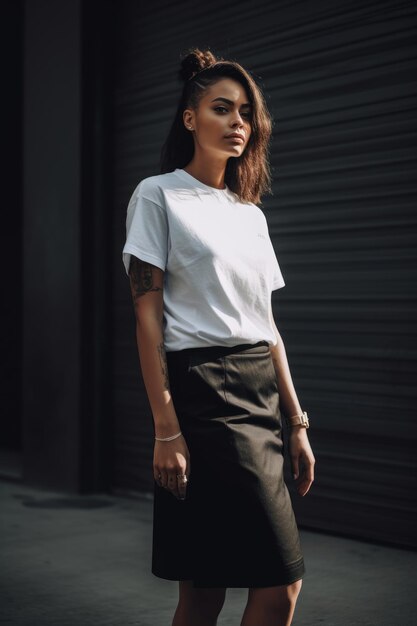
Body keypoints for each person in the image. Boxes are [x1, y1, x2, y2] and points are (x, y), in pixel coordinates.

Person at [122, 47, 315, 626]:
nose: (238, 123)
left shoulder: (249, 214)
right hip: (204, 395)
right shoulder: (157, 196)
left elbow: (266, 324)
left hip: (259, 394)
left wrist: (297, 422)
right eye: (222, 109)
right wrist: (166, 428)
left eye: (246, 114)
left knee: (203, 593)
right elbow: (147, 316)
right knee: (280, 583)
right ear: (190, 118)